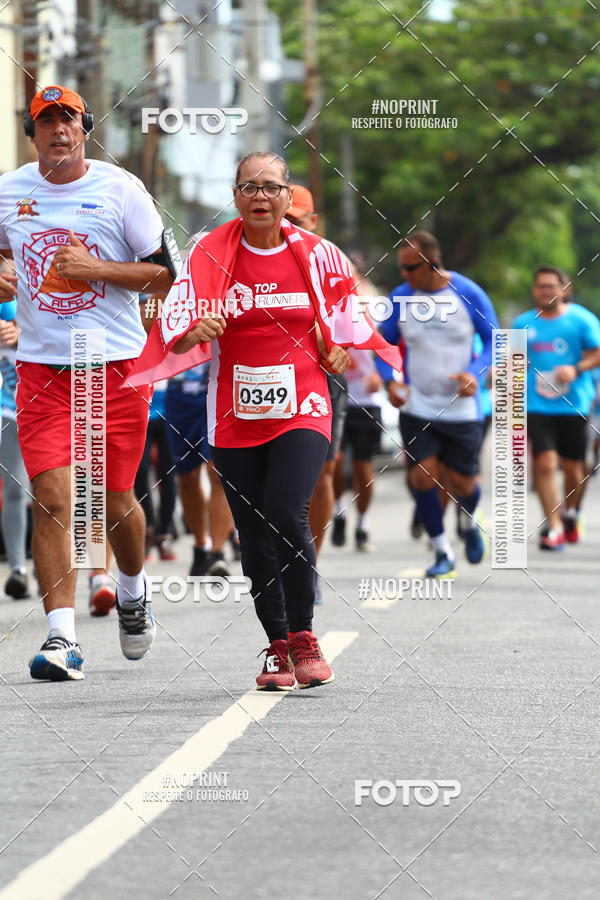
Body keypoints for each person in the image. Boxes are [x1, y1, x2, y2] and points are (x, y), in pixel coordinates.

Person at [131, 151, 402, 690]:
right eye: (249, 187)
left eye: (271, 186)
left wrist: (338, 350)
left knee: (286, 510)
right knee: (253, 530)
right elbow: (173, 331)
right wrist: (193, 333)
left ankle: (304, 636)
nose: (260, 196)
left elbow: (344, 323)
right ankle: (277, 646)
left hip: (303, 404)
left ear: (286, 195)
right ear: (235, 197)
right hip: (233, 411)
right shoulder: (210, 253)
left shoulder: (319, 255)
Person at [0, 84, 174, 680]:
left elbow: (165, 276)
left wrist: (93, 268)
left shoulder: (121, 190)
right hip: (42, 369)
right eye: (46, 121)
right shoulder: (10, 191)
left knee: (112, 498)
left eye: (68, 120)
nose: (58, 130)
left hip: (115, 365)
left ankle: (132, 592)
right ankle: (61, 639)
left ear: (85, 128)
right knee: (52, 497)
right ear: (32, 133)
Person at [377, 230, 498, 578]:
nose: (404, 275)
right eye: (401, 268)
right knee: (422, 476)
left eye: (410, 268)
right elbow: (382, 344)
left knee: (464, 483)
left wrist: (475, 372)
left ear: (433, 263)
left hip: (462, 408)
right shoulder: (401, 297)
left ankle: (469, 519)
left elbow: (496, 340)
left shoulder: (468, 293)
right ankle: (443, 550)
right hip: (418, 405)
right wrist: (390, 381)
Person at [285, 185, 347, 602]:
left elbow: (351, 325)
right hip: (263, 377)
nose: (287, 229)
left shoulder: (330, 260)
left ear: (313, 222)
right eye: (281, 220)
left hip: (321, 375)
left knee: (323, 473)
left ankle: (309, 568)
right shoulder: (241, 255)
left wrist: (336, 345)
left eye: (295, 221)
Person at [513, 267, 600, 549]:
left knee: (574, 468)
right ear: (534, 290)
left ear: (564, 290)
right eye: (541, 286)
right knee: (545, 463)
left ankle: (571, 512)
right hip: (536, 405)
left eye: (551, 286)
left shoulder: (582, 320)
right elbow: (511, 360)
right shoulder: (522, 323)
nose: (546, 291)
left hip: (574, 403)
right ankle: (554, 527)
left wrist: (576, 369)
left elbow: (597, 353)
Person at [0, 260, 31, 599]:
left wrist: (23, 335)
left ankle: (68, 569)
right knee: (14, 489)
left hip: (46, 406)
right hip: (7, 408)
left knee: (54, 492)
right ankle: (18, 569)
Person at [333, 347, 383, 552]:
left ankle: (362, 524)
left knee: (362, 468)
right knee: (335, 462)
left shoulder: (379, 324)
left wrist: (382, 376)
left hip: (366, 403)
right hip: (335, 400)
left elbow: (391, 350)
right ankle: (339, 511)